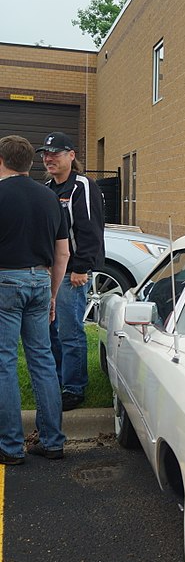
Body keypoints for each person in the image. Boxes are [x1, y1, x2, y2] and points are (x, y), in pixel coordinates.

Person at [0, 135, 70, 463]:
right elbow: (63, 252)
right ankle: (53, 441)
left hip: (6, 282)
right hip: (41, 282)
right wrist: (53, 294)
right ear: (29, 162)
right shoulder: (50, 198)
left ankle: (11, 447)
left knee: (5, 363)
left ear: (2, 161)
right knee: (42, 360)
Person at [37, 131, 104, 411]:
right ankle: (57, 381)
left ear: (71, 156)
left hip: (72, 273)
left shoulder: (82, 186)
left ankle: (74, 389)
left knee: (69, 331)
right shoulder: (48, 187)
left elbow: (90, 228)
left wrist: (81, 267)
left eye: (56, 153)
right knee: (50, 330)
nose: (49, 158)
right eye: (45, 154)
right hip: (51, 271)